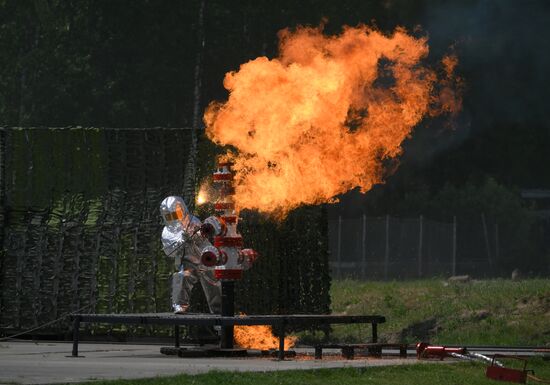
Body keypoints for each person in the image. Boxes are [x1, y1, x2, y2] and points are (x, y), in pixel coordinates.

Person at [159, 196, 222, 314]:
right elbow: (169, 251)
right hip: (187, 262)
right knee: (182, 277)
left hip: (205, 257)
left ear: (182, 209)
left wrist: (196, 233)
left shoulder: (193, 220)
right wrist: (182, 240)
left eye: (176, 213)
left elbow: (203, 237)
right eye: (170, 215)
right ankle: (180, 306)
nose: (174, 218)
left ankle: (219, 313)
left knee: (214, 281)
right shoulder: (166, 232)